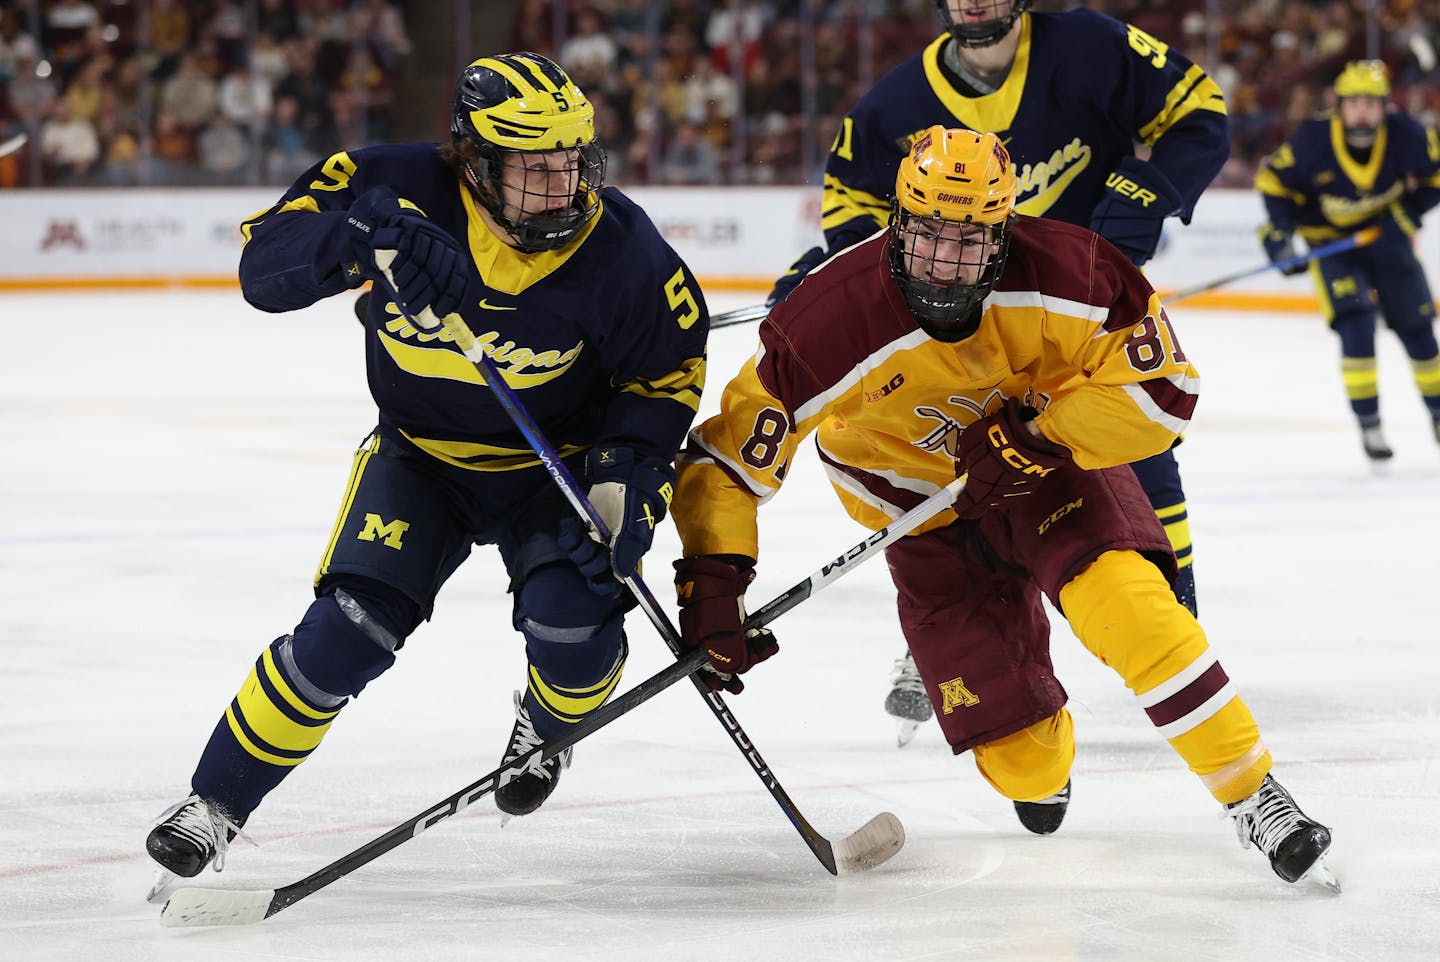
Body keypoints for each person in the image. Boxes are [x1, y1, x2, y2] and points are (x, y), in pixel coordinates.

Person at [671, 127, 1337, 890]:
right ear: (896, 220)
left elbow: (1165, 394)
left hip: (1047, 470)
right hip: (920, 515)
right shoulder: (829, 320)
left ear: (1003, 233)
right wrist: (714, 581)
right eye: (928, 234)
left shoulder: (1070, 272)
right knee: (1024, 767)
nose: (946, 262)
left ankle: (1256, 796)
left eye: (970, 240)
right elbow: (728, 460)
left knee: (1134, 608)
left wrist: (1036, 434)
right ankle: (1041, 758)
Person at [145, 52, 708, 892]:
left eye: (571, 164)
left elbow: (666, 376)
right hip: (421, 457)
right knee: (343, 634)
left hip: (552, 469)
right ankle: (216, 802)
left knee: (574, 630)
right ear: (474, 160)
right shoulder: (390, 183)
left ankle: (546, 724)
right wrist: (356, 238)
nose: (560, 189)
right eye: (532, 170)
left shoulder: (623, 249)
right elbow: (264, 270)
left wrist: (629, 477)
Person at [764, 0, 1227, 742]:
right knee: (955, 465)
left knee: (1139, 452)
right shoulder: (893, 106)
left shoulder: (1091, 48)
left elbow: (1199, 111)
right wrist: (844, 272)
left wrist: (1149, 188)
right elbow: (852, 200)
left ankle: (1174, 625)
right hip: (963, 333)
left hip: (1073, 321)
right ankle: (964, 631)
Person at [1256, 60, 1440, 461]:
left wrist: (1405, 216)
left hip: (1389, 244)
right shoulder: (1312, 140)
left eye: (1371, 102)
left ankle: (1439, 415)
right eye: (1353, 102)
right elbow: (1273, 185)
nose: (1362, 110)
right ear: (1338, 105)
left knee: (1419, 332)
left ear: (1384, 106)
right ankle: (1370, 425)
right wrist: (1281, 237)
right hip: (1333, 249)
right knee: (1356, 330)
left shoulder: (1407, 135)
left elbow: (1434, 179)